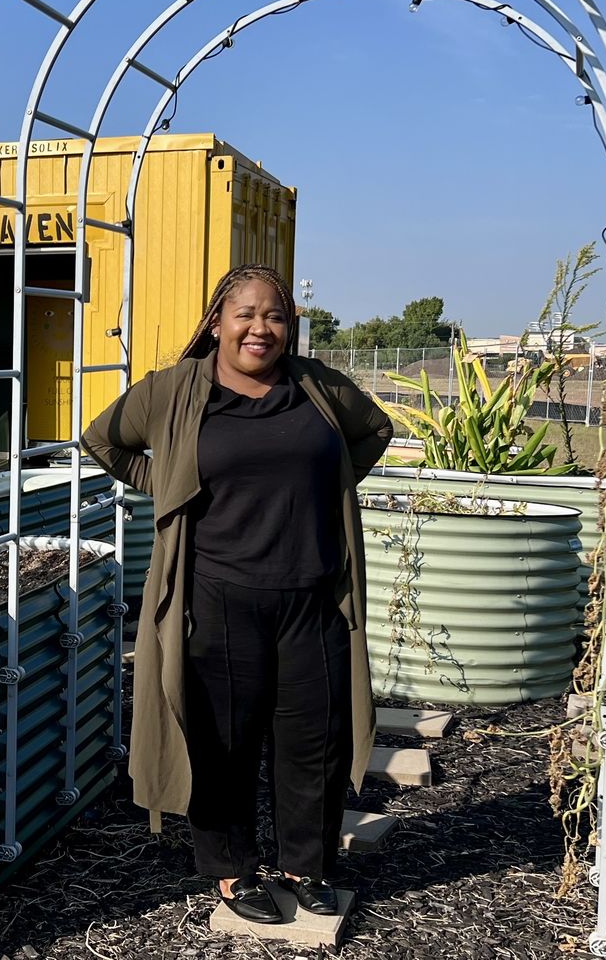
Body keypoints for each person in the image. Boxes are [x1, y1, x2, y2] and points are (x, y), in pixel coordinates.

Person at [81, 264, 392, 924]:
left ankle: (304, 864)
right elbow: (103, 441)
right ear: (217, 321)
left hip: (312, 597)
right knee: (222, 743)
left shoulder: (319, 391)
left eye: (275, 315)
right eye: (246, 314)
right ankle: (230, 869)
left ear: (290, 326)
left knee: (315, 742)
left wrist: (329, 483)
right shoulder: (174, 391)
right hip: (218, 597)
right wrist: (164, 486)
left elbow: (375, 432)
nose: (261, 327)